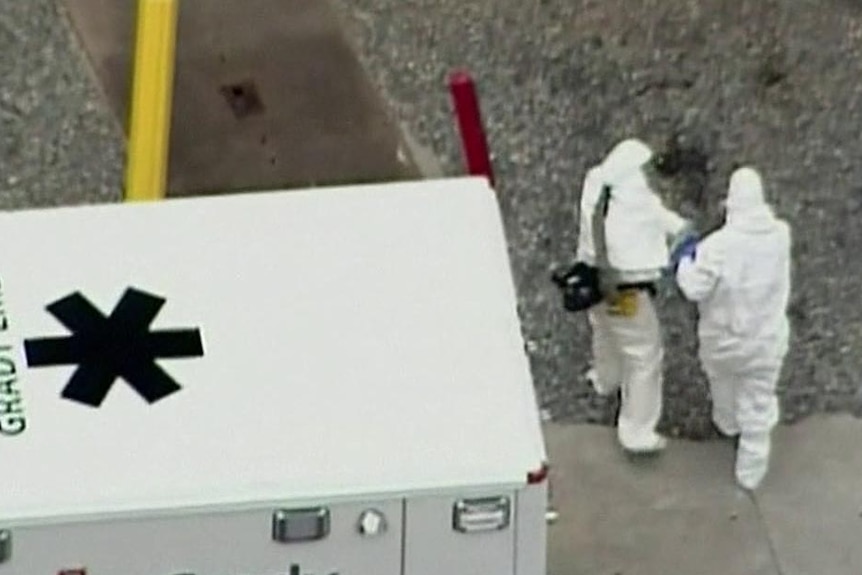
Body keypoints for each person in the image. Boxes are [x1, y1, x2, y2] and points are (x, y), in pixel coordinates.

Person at [674, 166, 791, 490]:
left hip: (723, 340)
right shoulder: (781, 235)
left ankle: (727, 424)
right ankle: (751, 469)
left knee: (722, 382)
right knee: (758, 399)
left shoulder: (718, 247)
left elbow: (694, 288)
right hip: (767, 339)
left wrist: (684, 258)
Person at [576, 138, 691, 454]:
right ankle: (636, 430)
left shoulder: (597, 184)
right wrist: (684, 233)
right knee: (644, 355)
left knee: (604, 332)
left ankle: (605, 378)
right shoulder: (635, 201)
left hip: (592, 280)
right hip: (626, 291)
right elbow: (658, 217)